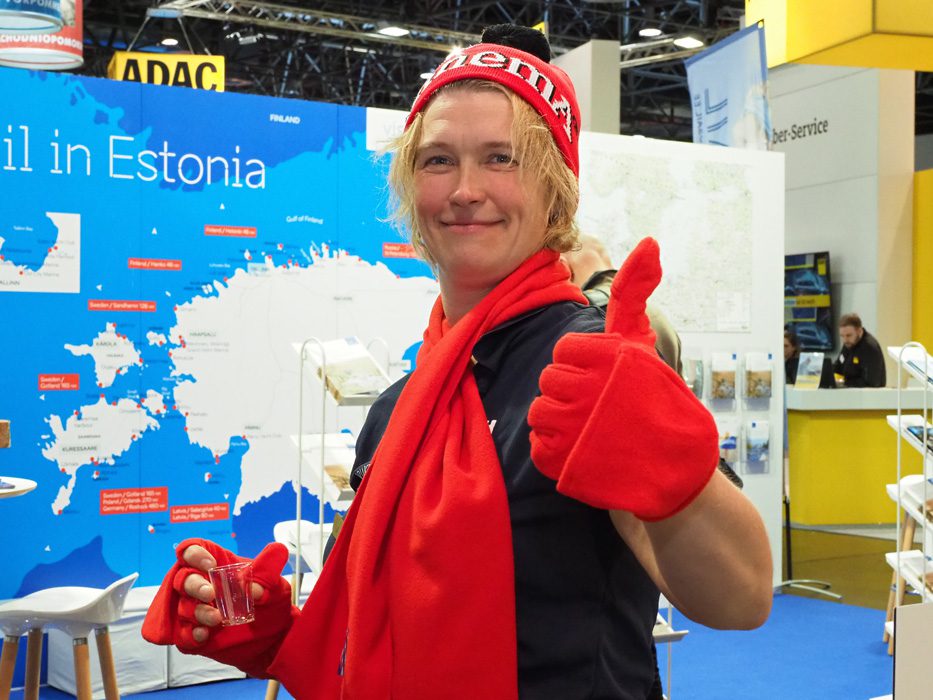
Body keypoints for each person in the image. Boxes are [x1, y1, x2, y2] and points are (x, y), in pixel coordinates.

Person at [142, 24, 772, 700]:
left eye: (501, 158)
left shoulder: (590, 368)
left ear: (556, 190)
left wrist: (669, 471)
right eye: (438, 160)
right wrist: (272, 629)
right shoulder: (398, 409)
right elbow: (382, 628)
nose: (466, 189)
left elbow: (741, 598)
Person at [832, 313, 886, 388]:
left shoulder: (869, 348)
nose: (845, 340)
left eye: (849, 335)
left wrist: (844, 383)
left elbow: (871, 382)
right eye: (842, 336)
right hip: (850, 391)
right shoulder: (849, 344)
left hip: (868, 394)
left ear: (859, 331)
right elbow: (838, 366)